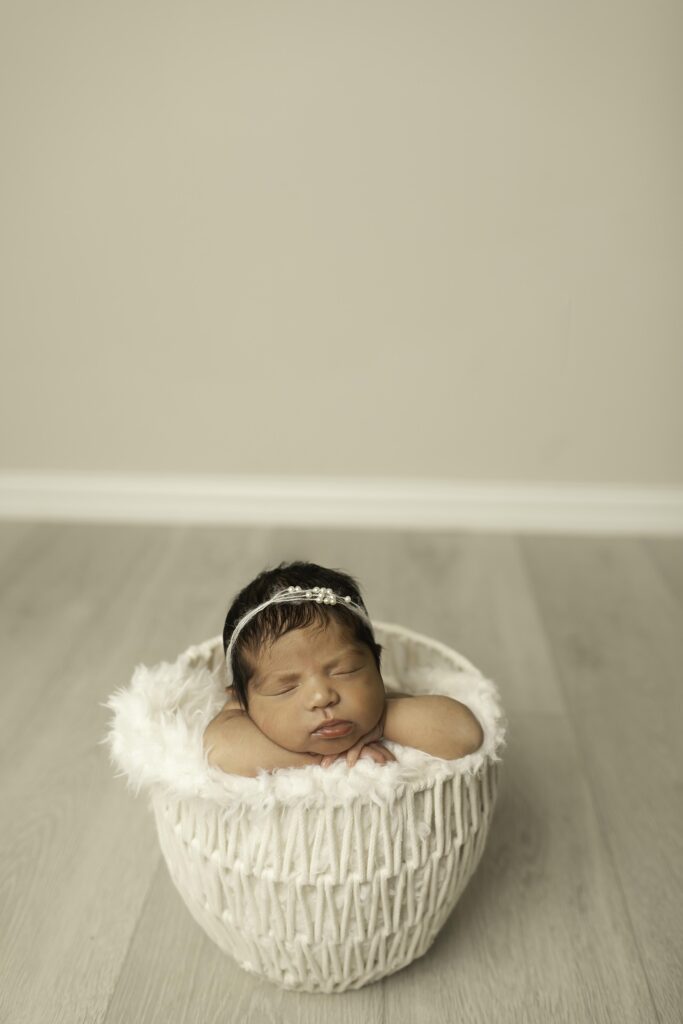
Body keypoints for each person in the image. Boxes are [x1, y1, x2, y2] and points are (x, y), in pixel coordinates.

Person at [203, 560, 484, 778]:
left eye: (345, 671)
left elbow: (465, 734)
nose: (322, 696)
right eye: (285, 687)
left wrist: (383, 722)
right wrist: (324, 763)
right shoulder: (239, 719)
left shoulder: (380, 706)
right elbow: (221, 750)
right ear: (240, 698)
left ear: (376, 665)